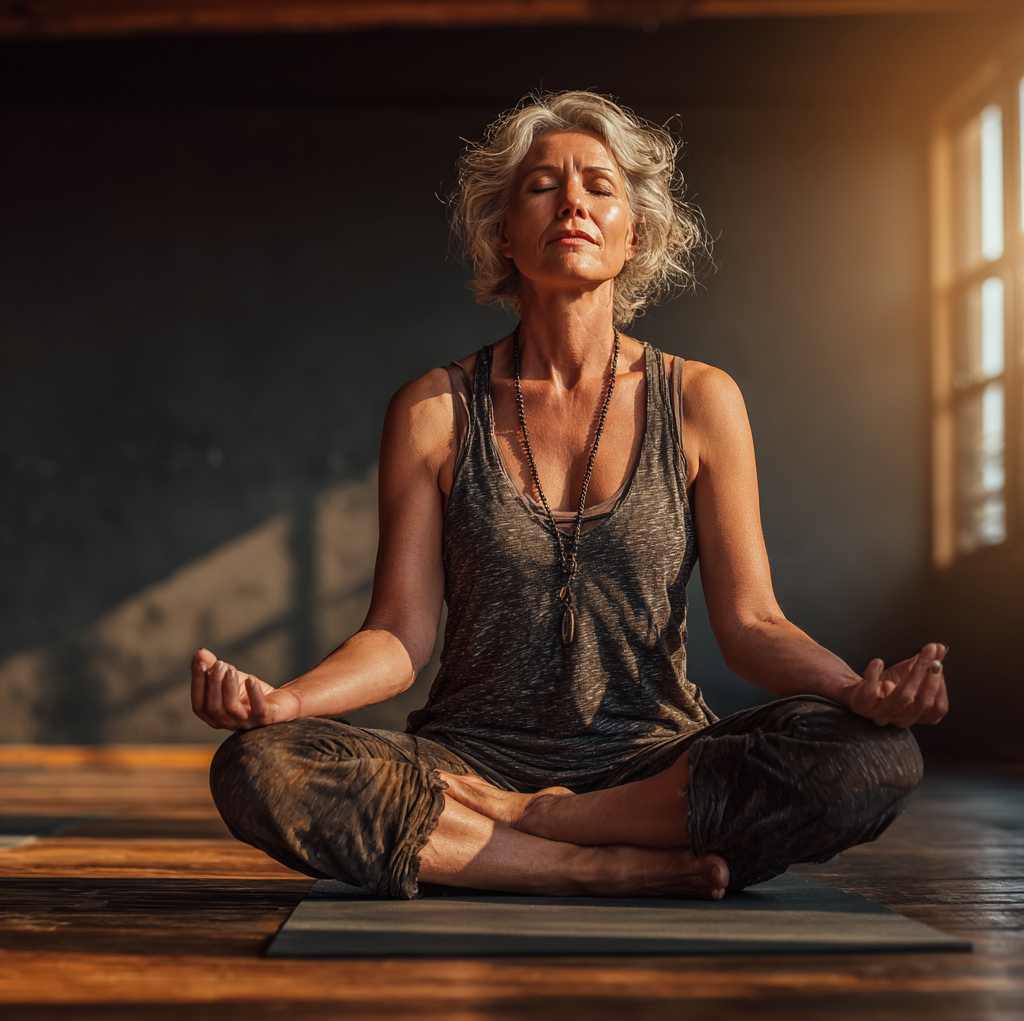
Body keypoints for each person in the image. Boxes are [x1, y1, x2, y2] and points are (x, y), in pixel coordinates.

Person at [191, 91, 947, 901]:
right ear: (504, 231)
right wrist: (283, 703)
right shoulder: (434, 410)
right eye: (543, 185)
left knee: (878, 755)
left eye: (600, 185)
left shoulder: (699, 399)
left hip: (653, 765)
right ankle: (598, 867)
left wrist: (853, 692)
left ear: (636, 233)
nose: (575, 202)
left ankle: (544, 828)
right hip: (466, 760)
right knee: (260, 767)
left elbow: (753, 625)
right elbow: (398, 636)